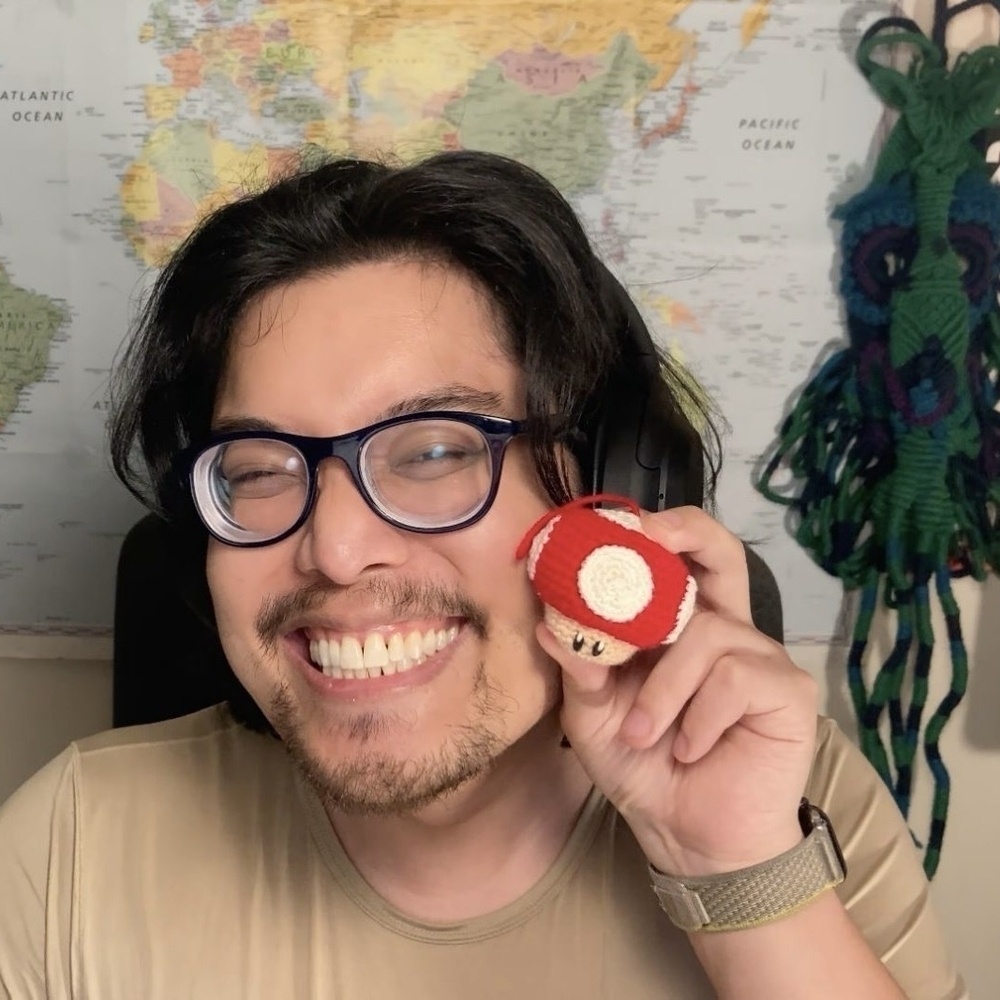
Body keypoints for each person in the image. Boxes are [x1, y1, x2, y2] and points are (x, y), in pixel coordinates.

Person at [0, 150, 965, 999]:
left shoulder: (789, 802)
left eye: (432, 453)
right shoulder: (71, 843)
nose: (336, 551)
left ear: (612, 490)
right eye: (257, 472)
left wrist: (737, 874)